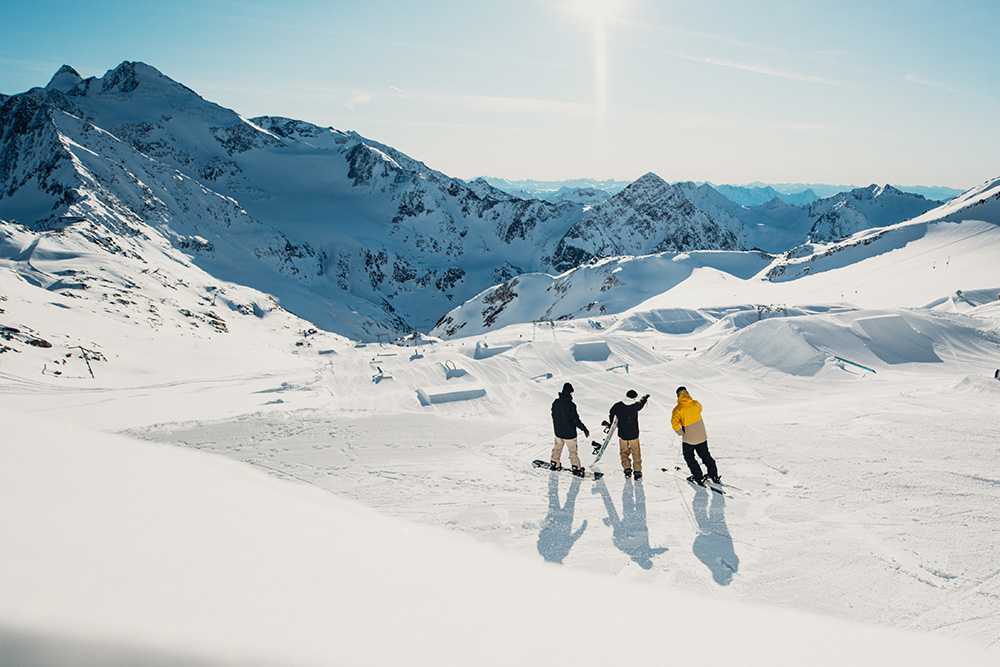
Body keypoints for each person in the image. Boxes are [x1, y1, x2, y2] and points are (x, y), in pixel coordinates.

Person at [671, 386, 721, 485]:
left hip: (689, 438)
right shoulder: (696, 403)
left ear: (678, 396)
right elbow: (700, 410)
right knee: (705, 455)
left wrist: (681, 432)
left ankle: (698, 476)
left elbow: (674, 423)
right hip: (702, 435)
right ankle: (713, 474)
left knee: (689, 457)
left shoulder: (678, 409)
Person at [550, 382, 589, 477]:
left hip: (558, 432)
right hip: (569, 434)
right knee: (572, 451)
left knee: (557, 448)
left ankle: (554, 463)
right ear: (570, 392)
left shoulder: (556, 402)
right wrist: (584, 428)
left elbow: (553, 415)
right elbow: (575, 420)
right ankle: (576, 467)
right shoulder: (571, 405)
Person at [608, 390, 649, 480]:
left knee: (624, 452)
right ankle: (637, 471)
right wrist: (645, 398)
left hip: (622, 434)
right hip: (634, 435)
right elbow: (641, 403)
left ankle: (627, 469)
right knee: (636, 452)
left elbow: (611, 413)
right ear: (634, 397)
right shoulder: (635, 406)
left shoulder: (618, 405)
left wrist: (613, 424)